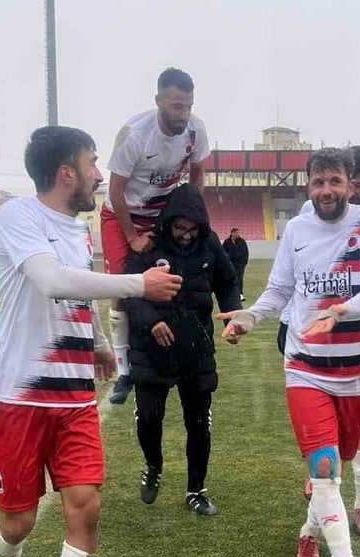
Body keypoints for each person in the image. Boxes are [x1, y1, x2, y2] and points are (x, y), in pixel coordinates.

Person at [0, 126, 181, 557]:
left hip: (72, 396)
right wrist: (140, 286)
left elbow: (77, 290)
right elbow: (50, 281)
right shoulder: (18, 216)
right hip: (17, 397)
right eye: (93, 164)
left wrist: (96, 342)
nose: (99, 174)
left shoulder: (78, 229)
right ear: (66, 171)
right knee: (18, 522)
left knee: (85, 504)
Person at [218, 148, 360, 557]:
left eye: (335, 181)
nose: (326, 191)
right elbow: (280, 290)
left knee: (335, 466)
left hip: (357, 371)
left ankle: (308, 533)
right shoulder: (296, 230)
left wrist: (341, 311)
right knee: (323, 469)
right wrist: (249, 318)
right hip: (306, 367)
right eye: (318, 183)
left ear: (350, 183)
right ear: (308, 186)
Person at [125, 184, 239, 516]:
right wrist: (151, 322)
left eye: (192, 230)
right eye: (180, 228)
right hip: (151, 347)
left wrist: (232, 316)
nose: (186, 236)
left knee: (199, 422)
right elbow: (129, 291)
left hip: (195, 347)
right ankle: (153, 466)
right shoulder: (149, 245)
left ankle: (196, 491)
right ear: (169, 223)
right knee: (149, 417)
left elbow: (228, 283)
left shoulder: (211, 245)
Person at [102, 67, 211, 405]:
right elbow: (116, 191)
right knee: (123, 287)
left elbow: (197, 177)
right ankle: (124, 370)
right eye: (177, 106)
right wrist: (133, 235)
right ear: (159, 100)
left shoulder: (196, 129)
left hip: (163, 209)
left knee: (172, 280)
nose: (184, 114)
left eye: (189, 105)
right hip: (124, 214)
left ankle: (173, 350)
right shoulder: (134, 134)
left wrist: (190, 217)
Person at [222, 227, 250, 301]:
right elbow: (223, 252)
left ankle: (240, 294)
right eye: (236, 232)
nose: (238, 234)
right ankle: (230, 294)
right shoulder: (227, 242)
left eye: (238, 232)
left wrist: (244, 262)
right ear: (232, 233)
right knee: (230, 279)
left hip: (240, 265)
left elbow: (246, 252)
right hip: (230, 265)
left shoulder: (242, 241)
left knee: (239, 280)